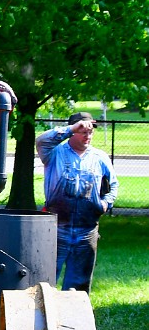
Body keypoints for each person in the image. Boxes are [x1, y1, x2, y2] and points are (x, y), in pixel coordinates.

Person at [36, 111, 118, 292]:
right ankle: (45, 316)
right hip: (57, 228)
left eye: (91, 131)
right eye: (83, 131)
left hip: (87, 230)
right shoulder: (54, 153)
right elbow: (41, 140)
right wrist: (71, 128)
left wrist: (105, 204)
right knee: (45, 281)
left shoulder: (100, 157)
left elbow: (113, 187)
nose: (88, 135)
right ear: (73, 131)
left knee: (79, 285)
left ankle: (72, 318)